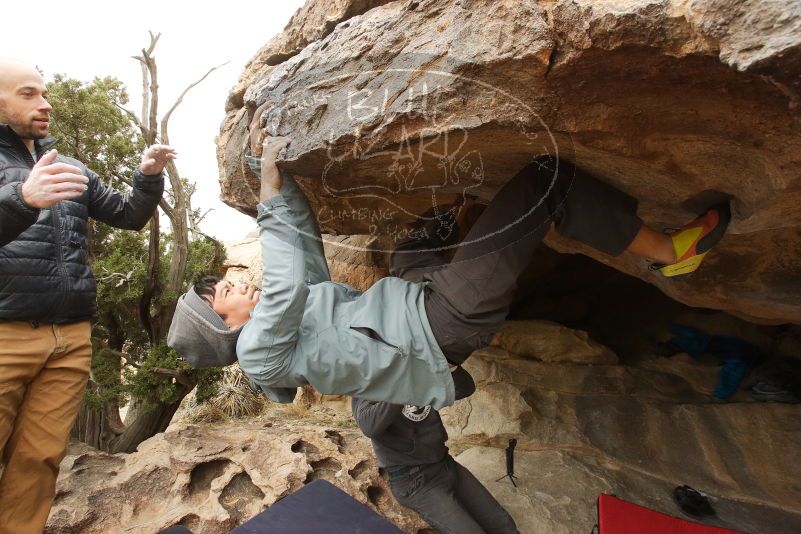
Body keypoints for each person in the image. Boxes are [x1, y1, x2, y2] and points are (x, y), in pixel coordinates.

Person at [168, 102, 730, 409]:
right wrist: (264, 185)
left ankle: (469, 216)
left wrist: (278, 182)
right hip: (441, 325)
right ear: (223, 325)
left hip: (417, 305)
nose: (237, 284)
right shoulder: (261, 349)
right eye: (223, 293)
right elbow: (288, 282)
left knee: (419, 235)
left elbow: (305, 251)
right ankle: (669, 252)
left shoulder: (277, 331)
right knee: (545, 179)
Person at [0, 58, 175, 533]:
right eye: (29, 94)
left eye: (45, 93)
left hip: (70, 339)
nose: (46, 104)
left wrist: (146, 175)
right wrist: (21, 200)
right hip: (6, 336)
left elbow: (127, 215)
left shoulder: (69, 167)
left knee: (39, 459)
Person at [352, 397, 517, 534]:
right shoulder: (369, 380)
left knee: (503, 524)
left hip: (446, 465)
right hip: (416, 481)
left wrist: (448, 365)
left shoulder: (420, 367)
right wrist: (402, 383)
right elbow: (368, 425)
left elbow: (463, 387)